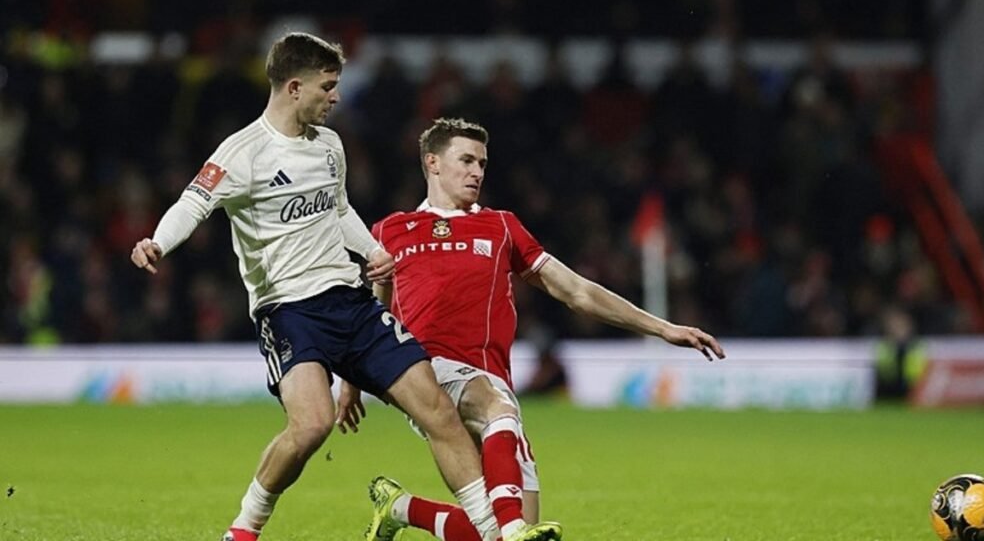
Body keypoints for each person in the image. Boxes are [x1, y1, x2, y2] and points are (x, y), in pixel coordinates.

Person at [130, 34, 552, 541]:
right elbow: (193, 203)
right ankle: (243, 528)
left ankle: (495, 531)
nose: (335, 97)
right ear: (294, 87)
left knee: (437, 408)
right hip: (289, 309)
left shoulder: (329, 145)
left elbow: (339, 208)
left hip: (350, 301)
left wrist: (372, 251)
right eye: (327, 87)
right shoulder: (243, 153)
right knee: (312, 425)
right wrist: (158, 242)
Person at [358, 117, 726, 541]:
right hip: (427, 372)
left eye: (482, 163)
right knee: (497, 415)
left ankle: (400, 508)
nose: (477, 172)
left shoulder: (501, 226)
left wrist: (662, 328)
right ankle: (512, 525)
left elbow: (577, 291)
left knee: (498, 530)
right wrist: (352, 382)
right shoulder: (391, 231)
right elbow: (373, 311)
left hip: (490, 374)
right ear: (433, 163)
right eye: (467, 160)